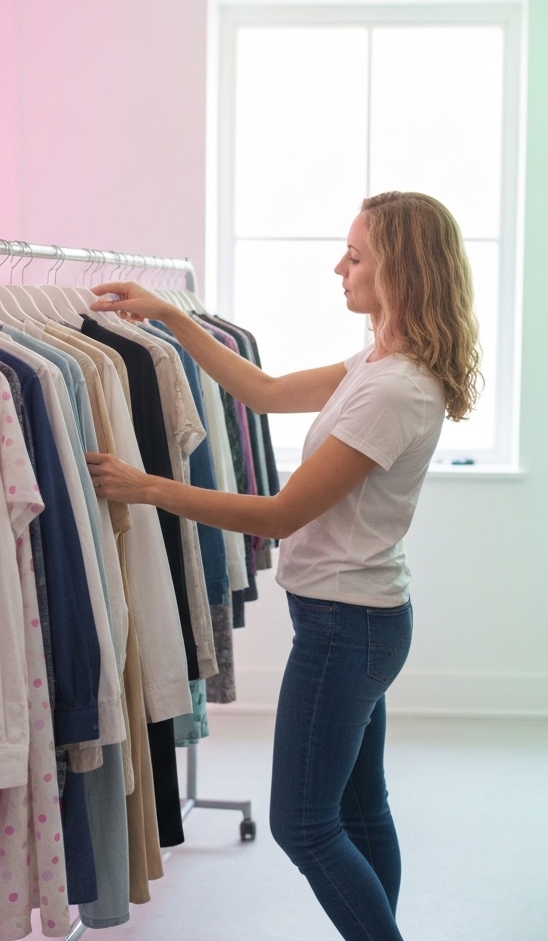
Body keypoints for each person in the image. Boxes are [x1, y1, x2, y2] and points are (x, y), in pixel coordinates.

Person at [85, 190, 480, 941]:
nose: (341, 267)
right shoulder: (380, 362)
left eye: (356, 255)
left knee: (303, 825)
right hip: (360, 620)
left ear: (400, 268)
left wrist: (147, 488)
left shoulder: (394, 389)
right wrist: (172, 316)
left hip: (345, 629)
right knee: (359, 809)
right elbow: (261, 394)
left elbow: (278, 515)